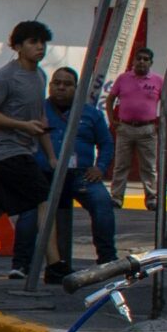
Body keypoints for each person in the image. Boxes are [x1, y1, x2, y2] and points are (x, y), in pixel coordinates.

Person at [0, 21, 55, 280]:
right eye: (33, 42)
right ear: (18, 47)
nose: (39, 47)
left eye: (42, 42)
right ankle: (55, 264)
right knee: (44, 199)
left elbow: (40, 119)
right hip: (7, 152)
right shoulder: (6, 76)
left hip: (26, 150)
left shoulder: (40, 76)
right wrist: (21, 126)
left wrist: (51, 156)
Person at [42, 65, 118, 277]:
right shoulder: (40, 111)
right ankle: (22, 265)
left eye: (67, 84)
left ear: (76, 88)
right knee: (33, 214)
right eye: (56, 83)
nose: (61, 88)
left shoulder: (90, 114)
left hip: (82, 175)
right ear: (50, 86)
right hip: (49, 175)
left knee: (102, 203)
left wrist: (100, 168)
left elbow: (106, 144)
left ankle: (107, 259)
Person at [105, 44, 163, 205]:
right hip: (125, 128)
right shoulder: (123, 79)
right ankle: (117, 197)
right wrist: (112, 121)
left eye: (146, 59)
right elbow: (110, 100)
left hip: (147, 130)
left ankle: (151, 198)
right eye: (139, 59)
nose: (142, 62)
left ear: (151, 63)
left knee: (149, 167)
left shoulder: (158, 80)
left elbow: (166, 102)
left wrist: (160, 123)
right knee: (121, 165)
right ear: (133, 60)